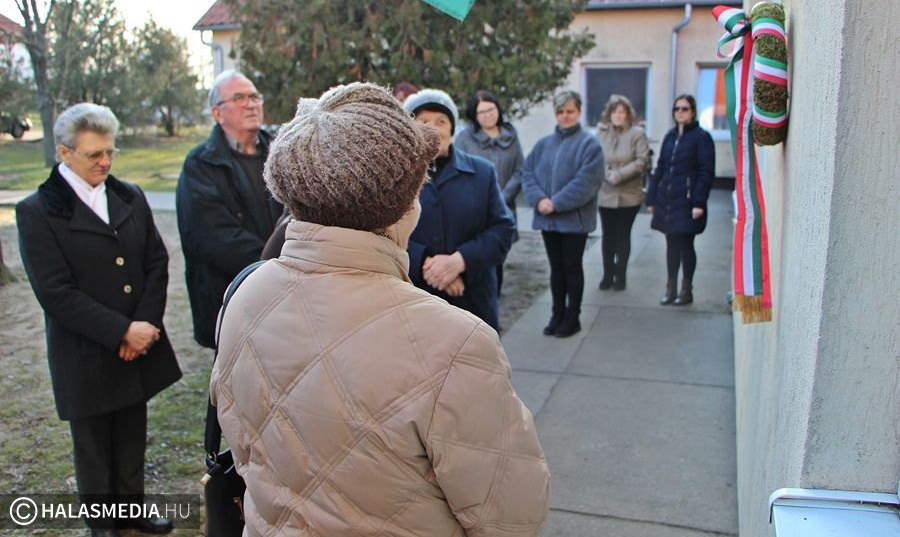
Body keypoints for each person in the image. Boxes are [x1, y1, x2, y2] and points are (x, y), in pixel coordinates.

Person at [210, 83, 550, 536]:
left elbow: (246, 446)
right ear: (405, 206)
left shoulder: (243, 296)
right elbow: (511, 517)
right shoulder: (455, 344)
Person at [16, 103, 182, 537]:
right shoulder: (37, 211)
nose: (105, 162)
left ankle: (131, 511)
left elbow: (155, 262)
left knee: (131, 433)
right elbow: (55, 292)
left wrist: (144, 326)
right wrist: (121, 331)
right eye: (94, 154)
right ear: (64, 153)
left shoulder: (129, 196)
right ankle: (102, 525)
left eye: (110, 152)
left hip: (138, 343)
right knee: (92, 446)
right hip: (85, 350)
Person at [176, 70, 283, 348]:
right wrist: (274, 265)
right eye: (239, 98)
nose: (251, 104)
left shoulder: (282, 151)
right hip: (232, 297)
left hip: (284, 295)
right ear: (217, 113)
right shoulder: (200, 164)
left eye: (254, 96)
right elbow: (214, 236)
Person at [402, 88, 515, 331]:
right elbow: (382, 235)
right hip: (417, 304)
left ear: (452, 128)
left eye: (441, 121)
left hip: (473, 302)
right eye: (423, 121)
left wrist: (460, 261)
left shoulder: (482, 172)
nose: (434, 129)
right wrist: (425, 264)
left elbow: (503, 228)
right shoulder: (396, 178)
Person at [521, 91, 605, 338]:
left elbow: (587, 182)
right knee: (556, 269)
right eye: (560, 112)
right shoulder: (543, 144)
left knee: (572, 268)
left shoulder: (589, 145)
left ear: (579, 112)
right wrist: (539, 199)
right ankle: (556, 314)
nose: (565, 116)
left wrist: (556, 203)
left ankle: (572, 317)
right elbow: (528, 173)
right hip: (548, 221)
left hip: (574, 222)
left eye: (569, 111)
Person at [646, 94, 716, 306]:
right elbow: (660, 168)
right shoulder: (670, 137)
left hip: (687, 202)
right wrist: (651, 197)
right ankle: (670, 288)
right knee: (671, 245)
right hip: (668, 201)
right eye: (677, 108)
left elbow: (706, 172)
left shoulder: (702, 138)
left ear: (693, 111)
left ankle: (686, 290)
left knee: (686, 245)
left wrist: (698, 202)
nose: (680, 112)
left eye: (685, 108)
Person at [455, 89, 524, 294]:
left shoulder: (511, 136)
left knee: (498, 255)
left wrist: (501, 197)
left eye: (491, 109)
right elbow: (457, 169)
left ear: (498, 109)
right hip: (474, 208)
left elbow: (520, 170)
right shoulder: (465, 138)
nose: (487, 115)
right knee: (476, 255)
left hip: (504, 207)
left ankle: (495, 298)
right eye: (482, 111)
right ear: (474, 115)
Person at [596, 94, 650, 291]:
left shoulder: (637, 134)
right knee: (608, 235)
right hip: (606, 192)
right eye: (614, 112)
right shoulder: (601, 134)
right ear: (609, 114)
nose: (618, 116)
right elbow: (595, 157)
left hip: (629, 193)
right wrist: (606, 174)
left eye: (621, 112)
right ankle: (607, 274)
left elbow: (642, 161)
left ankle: (620, 275)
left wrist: (620, 175)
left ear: (628, 114)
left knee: (622, 235)